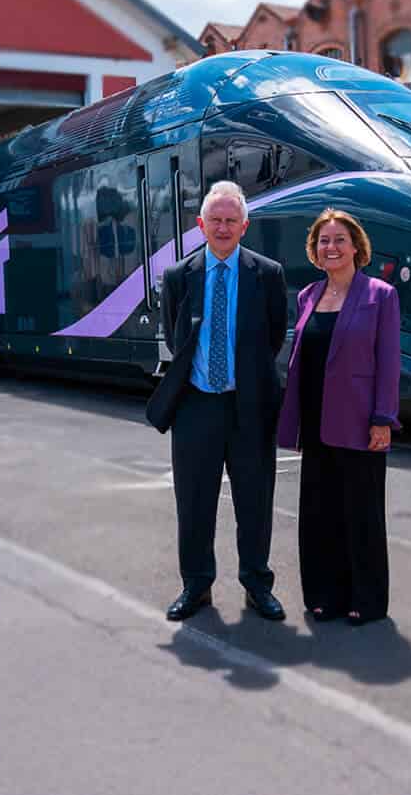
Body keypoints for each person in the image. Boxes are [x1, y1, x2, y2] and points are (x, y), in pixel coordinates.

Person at [145, 180, 289, 622]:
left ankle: (256, 584)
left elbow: (274, 334)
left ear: (244, 226)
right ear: (200, 224)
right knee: (193, 502)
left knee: (255, 501)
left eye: (231, 220)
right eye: (216, 220)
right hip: (196, 406)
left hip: (249, 407)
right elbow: (176, 336)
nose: (223, 227)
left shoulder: (268, 274)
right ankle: (196, 585)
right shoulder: (177, 276)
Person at [276, 208, 401, 626]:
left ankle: (365, 600)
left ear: (356, 247)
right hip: (315, 421)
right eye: (323, 241)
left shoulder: (380, 295)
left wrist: (383, 417)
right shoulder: (308, 296)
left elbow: (388, 362)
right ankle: (323, 595)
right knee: (318, 513)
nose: (331, 247)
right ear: (314, 250)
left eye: (339, 240)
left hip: (360, 420)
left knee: (360, 513)